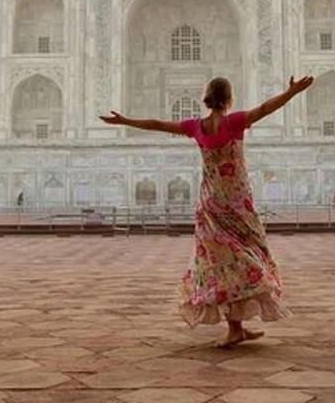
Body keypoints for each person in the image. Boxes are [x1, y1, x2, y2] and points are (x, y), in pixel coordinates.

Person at [100, 75, 312, 348]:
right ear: (229, 98)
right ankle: (237, 324)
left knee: (221, 263)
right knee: (248, 257)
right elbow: (265, 109)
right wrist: (291, 92)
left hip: (210, 203)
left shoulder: (197, 127)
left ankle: (236, 327)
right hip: (236, 204)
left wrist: (125, 121)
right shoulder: (234, 122)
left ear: (208, 99)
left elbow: (156, 124)